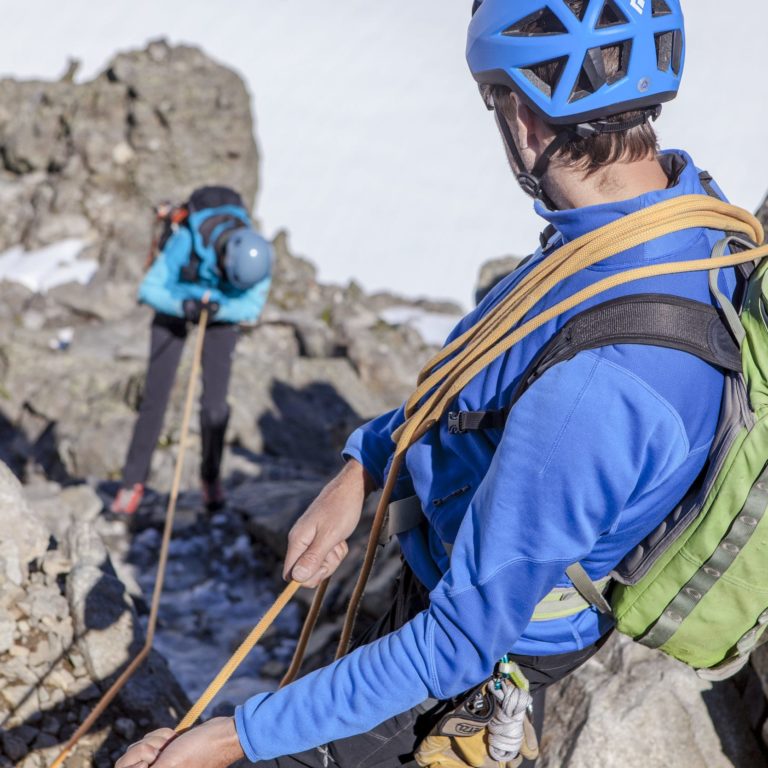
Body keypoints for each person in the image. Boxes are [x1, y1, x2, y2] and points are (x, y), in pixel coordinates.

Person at [116, 1, 735, 765]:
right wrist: (363, 463)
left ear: (528, 122)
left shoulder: (602, 387)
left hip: (456, 670)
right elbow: (493, 374)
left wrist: (231, 736)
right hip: (454, 588)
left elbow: (456, 644)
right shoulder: (668, 226)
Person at [111, 186, 272, 515]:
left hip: (220, 311)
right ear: (224, 260)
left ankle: (210, 479)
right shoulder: (188, 239)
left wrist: (218, 309)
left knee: (215, 406)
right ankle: (132, 483)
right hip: (177, 300)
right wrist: (184, 305)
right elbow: (150, 289)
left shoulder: (260, 260)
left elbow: (251, 307)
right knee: (156, 396)